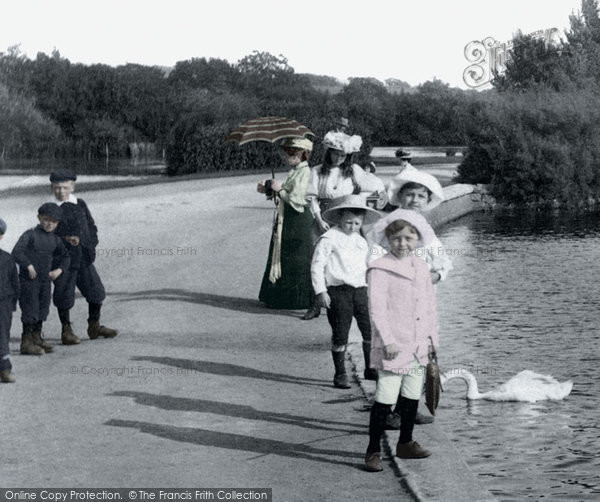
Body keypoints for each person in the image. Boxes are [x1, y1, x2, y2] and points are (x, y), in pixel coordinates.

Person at [373, 169, 452, 426]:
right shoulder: (388, 225)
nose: (415, 200)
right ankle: (390, 411)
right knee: (396, 353)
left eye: (421, 196)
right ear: (399, 196)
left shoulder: (426, 228)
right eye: (410, 195)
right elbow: (374, 259)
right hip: (396, 301)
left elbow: (444, 262)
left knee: (420, 354)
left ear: (427, 201)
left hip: (423, 300)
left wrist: (435, 276)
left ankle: (410, 407)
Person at [364, 210, 438, 471]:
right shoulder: (380, 268)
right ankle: (373, 449)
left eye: (409, 237)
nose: (403, 244)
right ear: (387, 239)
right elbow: (377, 310)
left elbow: (429, 306)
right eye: (396, 238)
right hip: (393, 346)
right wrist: (388, 340)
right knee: (385, 398)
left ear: (418, 239)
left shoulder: (420, 267)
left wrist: (432, 340)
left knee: (410, 397)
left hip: (418, 344)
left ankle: (405, 442)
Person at [311, 194, 381, 388]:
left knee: (369, 329)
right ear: (340, 217)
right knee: (341, 332)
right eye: (348, 222)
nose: (352, 227)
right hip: (338, 291)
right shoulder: (329, 238)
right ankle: (340, 373)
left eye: (357, 223)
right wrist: (321, 291)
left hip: (361, 291)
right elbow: (317, 266)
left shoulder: (361, 240)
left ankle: (370, 367)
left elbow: (369, 264)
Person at [303, 131, 372, 320]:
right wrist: (319, 220)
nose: (339, 158)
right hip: (323, 216)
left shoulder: (353, 171)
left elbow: (369, 188)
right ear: (329, 152)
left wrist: (358, 204)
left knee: (352, 256)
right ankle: (315, 304)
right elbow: (312, 198)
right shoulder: (317, 171)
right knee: (316, 257)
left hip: (346, 215)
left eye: (343, 156)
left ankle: (351, 299)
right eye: (336, 154)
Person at [49, 168, 117, 345]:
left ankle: (94, 326)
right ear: (51, 188)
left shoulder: (80, 204)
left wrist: (89, 243)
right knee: (64, 294)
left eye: (64, 187)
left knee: (96, 291)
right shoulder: (50, 209)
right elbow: (45, 236)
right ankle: (66, 331)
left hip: (83, 257)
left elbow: (91, 227)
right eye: (56, 188)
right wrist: (65, 239)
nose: (60, 191)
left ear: (72, 187)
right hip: (62, 261)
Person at [257, 137, 314, 310]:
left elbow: (296, 199)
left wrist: (279, 189)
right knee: (282, 253)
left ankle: (295, 300)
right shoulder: (296, 170)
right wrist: (269, 188)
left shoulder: (305, 172)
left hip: (298, 218)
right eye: (288, 152)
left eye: (292, 152)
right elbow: (285, 195)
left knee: (293, 256)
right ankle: (279, 297)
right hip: (288, 217)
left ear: (303, 154)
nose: (288, 156)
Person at [12, 203, 70, 356]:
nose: (50, 224)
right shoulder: (30, 235)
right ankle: (26, 342)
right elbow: (16, 252)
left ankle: (37, 338)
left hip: (45, 281)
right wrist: (28, 265)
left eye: (54, 221)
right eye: (46, 219)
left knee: (43, 308)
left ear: (58, 223)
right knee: (30, 308)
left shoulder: (56, 240)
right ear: (39, 218)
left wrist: (59, 270)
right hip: (28, 281)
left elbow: (66, 256)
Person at [0, 218, 19, 382]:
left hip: (3, 303)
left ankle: (5, 368)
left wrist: (12, 303)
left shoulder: (7, 259)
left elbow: (15, 281)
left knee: (2, 334)